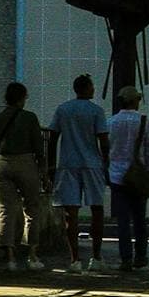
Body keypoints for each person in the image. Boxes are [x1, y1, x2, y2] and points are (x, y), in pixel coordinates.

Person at [0, 82, 56, 271]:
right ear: (21, 98)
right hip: (26, 163)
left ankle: (10, 258)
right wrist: (44, 174)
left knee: (6, 210)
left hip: (3, 163)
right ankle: (32, 256)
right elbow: (38, 148)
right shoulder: (29, 118)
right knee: (32, 209)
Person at [48, 74, 111, 270]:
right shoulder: (96, 111)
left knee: (70, 213)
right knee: (96, 209)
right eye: (92, 86)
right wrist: (106, 162)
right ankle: (96, 257)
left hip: (68, 163)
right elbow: (103, 140)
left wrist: (51, 165)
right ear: (87, 88)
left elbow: (52, 138)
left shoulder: (63, 109)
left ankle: (74, 259)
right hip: (92, 163)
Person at [107, 87, 149, 273]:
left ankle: (125, 258)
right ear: (135, 101)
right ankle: (141, 256)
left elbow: (106, 149)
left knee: (122, 221)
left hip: (116, 176)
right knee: (139, 219)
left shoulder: (110, 122)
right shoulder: (143, 121)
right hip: (137, 176)